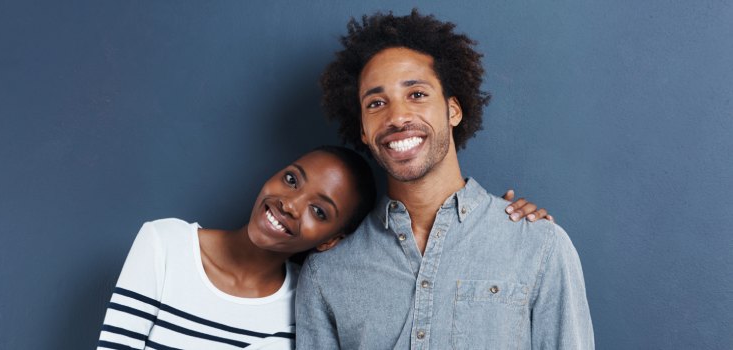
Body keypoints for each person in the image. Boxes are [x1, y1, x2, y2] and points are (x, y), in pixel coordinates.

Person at [296, 10, 594, 349]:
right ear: (363, 130)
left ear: (453, 110)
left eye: (417, 94)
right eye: (376, 103)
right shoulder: (326, 275)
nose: (397, 117)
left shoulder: (539, 246)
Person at [96, 145, 550, 349]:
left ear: (331, 240)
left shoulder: (309, 297)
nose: (289, 204)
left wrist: (495, 224)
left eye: (319, 210)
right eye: (292, 179)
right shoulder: (165, 245)